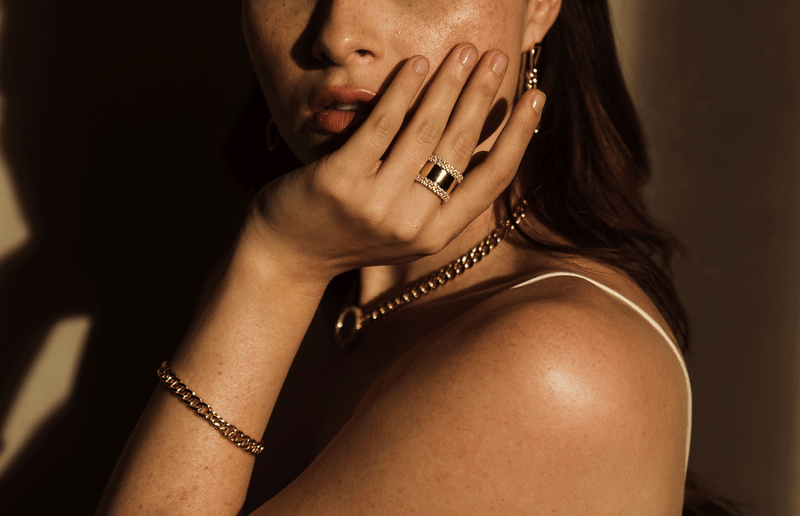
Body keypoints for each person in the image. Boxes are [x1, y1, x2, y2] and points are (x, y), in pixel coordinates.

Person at [96, 0, 738, 514]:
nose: (338, 33)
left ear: (540, 8)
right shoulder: (314, 290)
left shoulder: (561, 365)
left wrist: (275, 267)